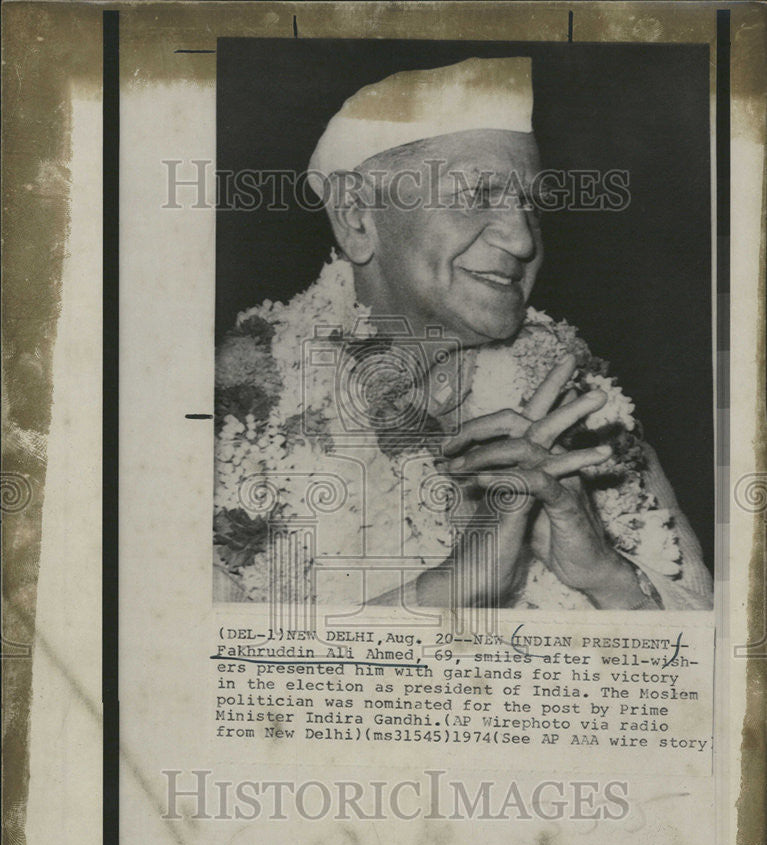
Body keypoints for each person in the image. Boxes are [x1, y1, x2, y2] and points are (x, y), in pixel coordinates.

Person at [214, 57, 713, 611]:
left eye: (531, 205)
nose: (523, 241)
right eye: (477, 196)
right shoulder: (228, 422)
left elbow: (713, 671)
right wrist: (445, 591)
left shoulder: (581, 404)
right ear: (357, 216)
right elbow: (206, 684)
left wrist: (608, 577)